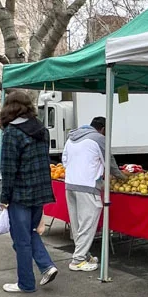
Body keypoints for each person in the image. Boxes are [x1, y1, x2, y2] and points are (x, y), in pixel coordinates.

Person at [0, 90, 58, 293]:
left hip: (20, 194)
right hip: (39, 192)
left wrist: (4, 198)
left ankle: (26, 283)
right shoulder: (42, 129)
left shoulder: (12, 133)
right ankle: (46, 266)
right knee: (29, 234)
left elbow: (8, 169)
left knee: (21, 239)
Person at [61, 116, 124, 272]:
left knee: (77, 224)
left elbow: (64, 161)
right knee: (87, 224)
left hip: (70, 185)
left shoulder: (71, 139)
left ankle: (84, 254)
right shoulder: (98, 139)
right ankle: (78, 260)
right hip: (88, 186)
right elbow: (110, 163)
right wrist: (123, 177)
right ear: (102, 128)